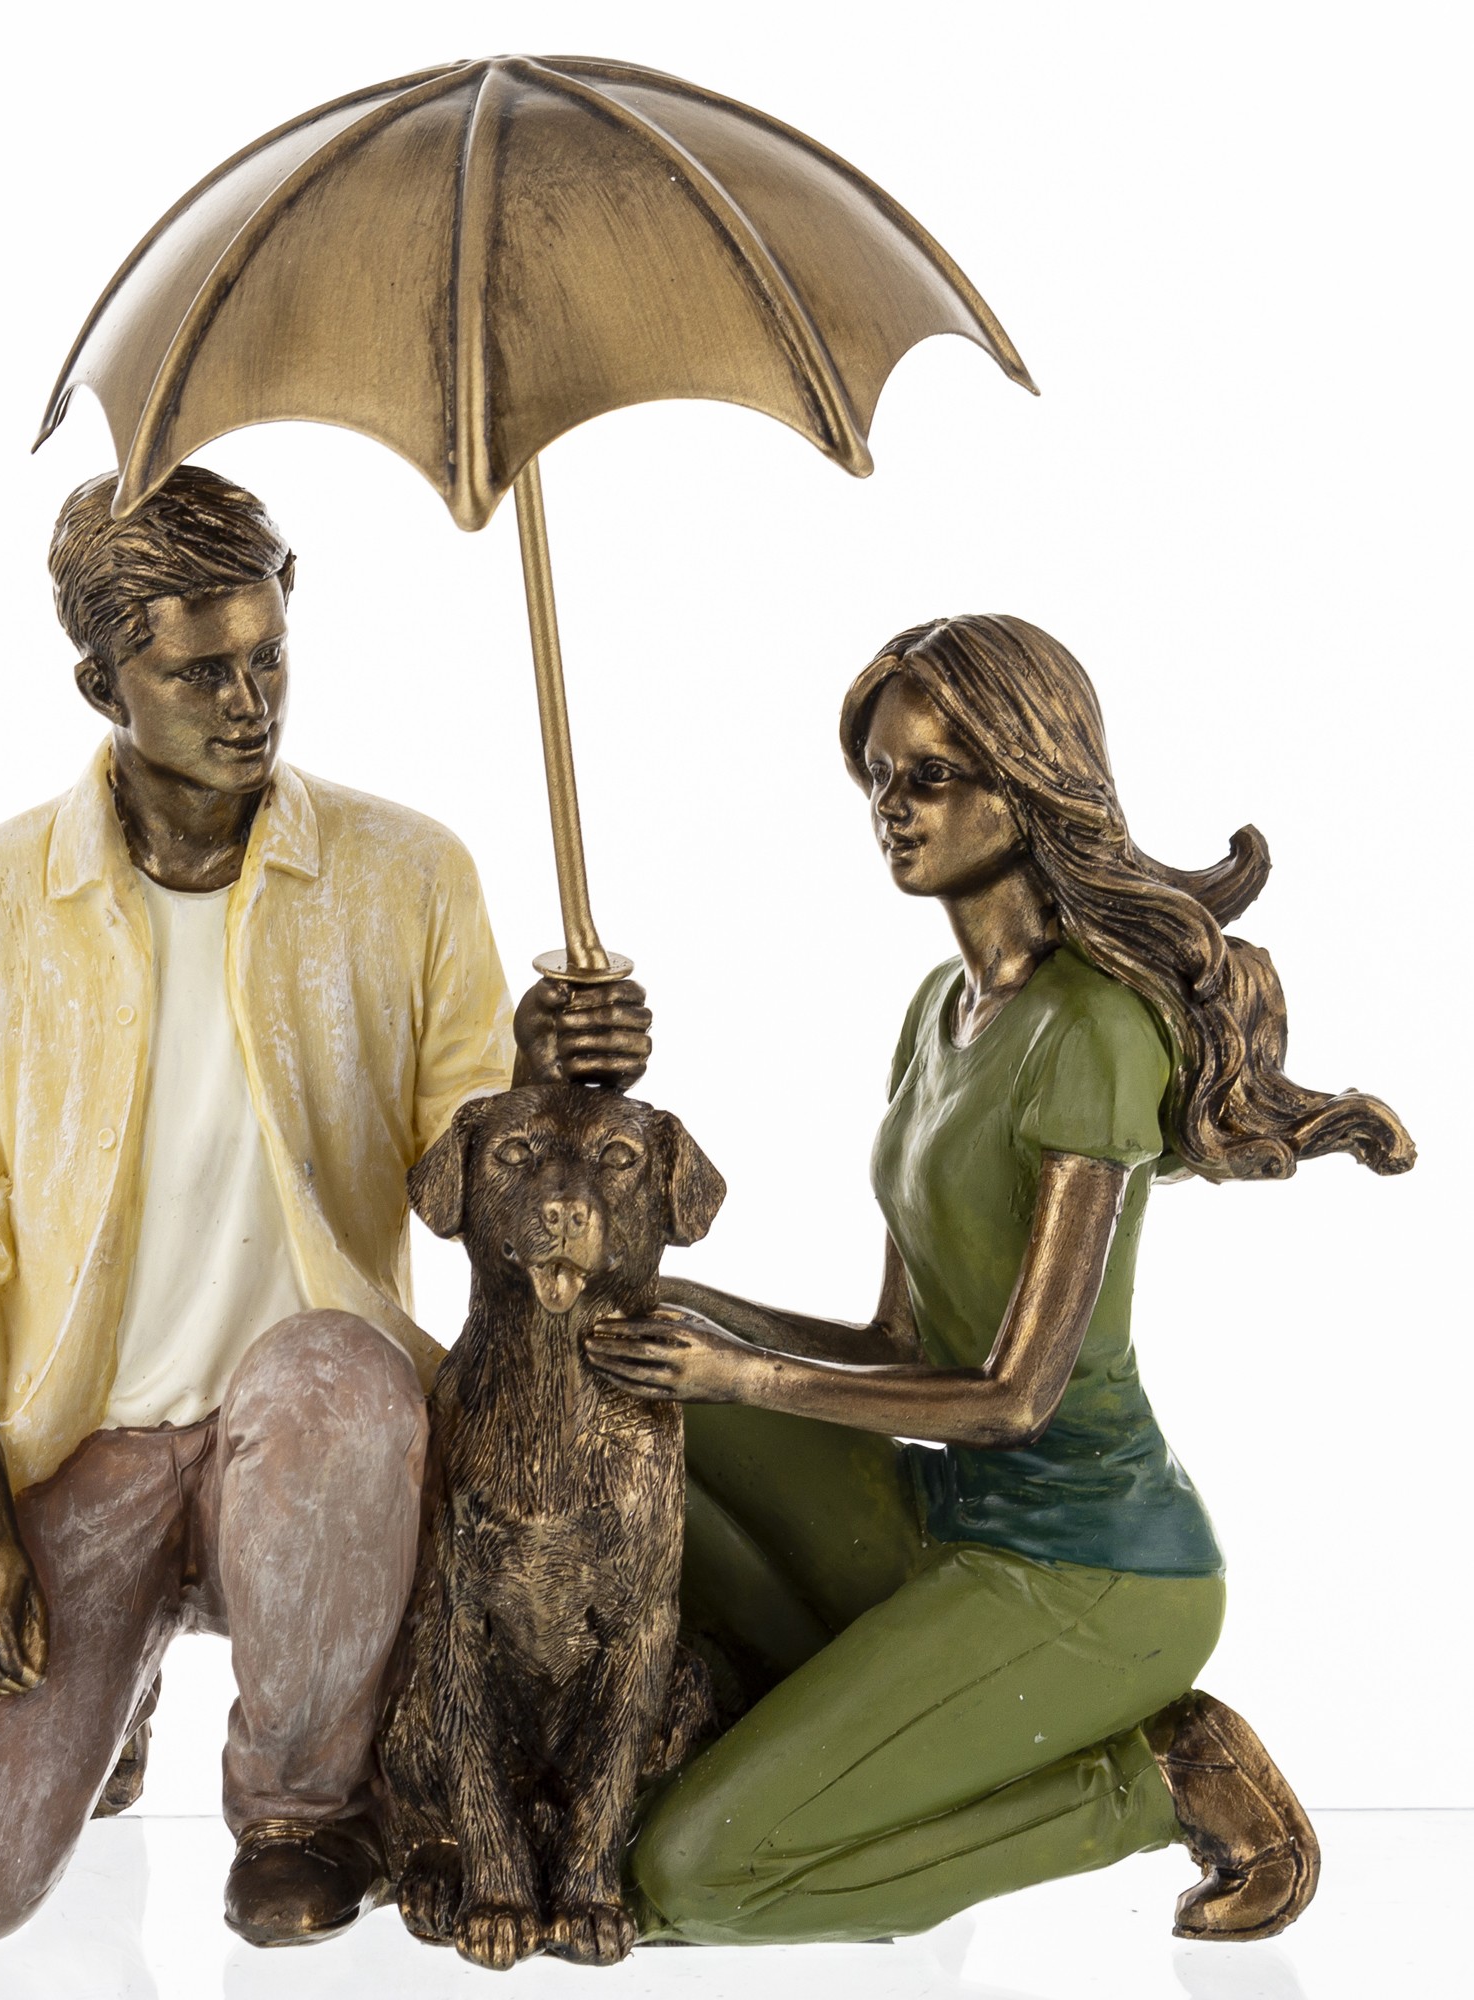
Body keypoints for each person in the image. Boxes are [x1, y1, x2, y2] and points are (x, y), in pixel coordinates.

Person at [0, 464, 651, 1950]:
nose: (249, 702)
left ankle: (301, 1807)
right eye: (198, 672)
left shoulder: (405, 873)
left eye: (269, 655)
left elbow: (466, 1180)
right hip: (86, 1441)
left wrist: (553, 1076)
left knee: (335, 1384)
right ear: (102, 684)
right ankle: (126, 1673)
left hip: (316, 1434)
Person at [587, 613, 1412, 1946]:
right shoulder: (937, 1010)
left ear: (1028, 787)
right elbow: (894, 1341)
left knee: (688, 1882)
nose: (891, 809)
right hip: (950, 1521)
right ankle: (786, 1727)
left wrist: (741, 1372)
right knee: (615, 1376)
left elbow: (1009, 1398)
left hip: (1091, 1569)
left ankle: (1155, 1779)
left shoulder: (1091, 1029)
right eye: (876, 777)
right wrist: (683, 1314)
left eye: (931, 776)